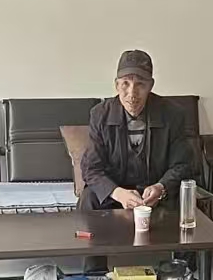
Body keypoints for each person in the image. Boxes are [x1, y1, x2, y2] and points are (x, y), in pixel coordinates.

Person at [79, 50, 196, 212]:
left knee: (183, 199)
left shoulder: (172, 114)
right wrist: (118, 193)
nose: (132, 94)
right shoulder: (100, 115)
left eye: (140, 84)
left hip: (156, 195)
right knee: (89, 198)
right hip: (116, 194)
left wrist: (161, 187)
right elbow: (91, 169)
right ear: (117, 85)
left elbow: (182, 165)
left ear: (151, 86)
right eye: (125, 83)